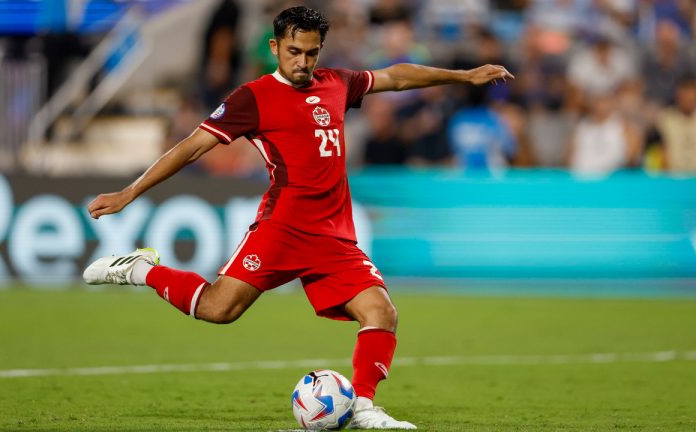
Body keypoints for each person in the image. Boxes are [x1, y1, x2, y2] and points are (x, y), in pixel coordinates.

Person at [83, 6, 512, 429]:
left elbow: (396, 77)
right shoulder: (252, 98)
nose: (303, 62)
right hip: (282, 228)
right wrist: (130, 192)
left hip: (333, 235)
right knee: (218, 309)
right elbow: (193, 146)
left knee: (381, 312)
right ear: (274, 47)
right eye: (294, 52)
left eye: (311, 52)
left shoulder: (337, 83)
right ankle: (141, 270)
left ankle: (363, 407)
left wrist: (463, 76)